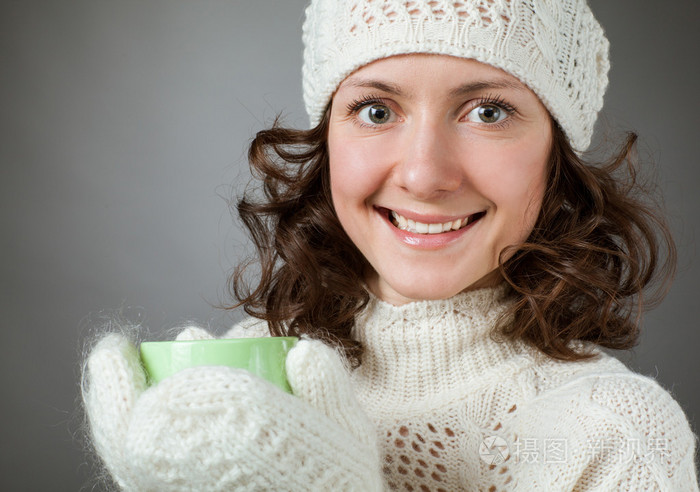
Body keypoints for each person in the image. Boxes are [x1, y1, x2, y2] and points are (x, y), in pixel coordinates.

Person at [82, 0, 699, 490]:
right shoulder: (244, 386)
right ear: (329, 145)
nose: (424, 175)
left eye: (488, 112)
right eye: (376, 111)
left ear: (556, 157)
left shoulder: (617, 437)